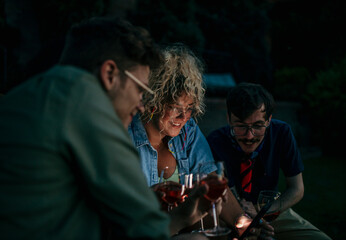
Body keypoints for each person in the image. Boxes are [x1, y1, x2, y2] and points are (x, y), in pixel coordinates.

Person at [0, 16, 213, 240]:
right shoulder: (87, 106)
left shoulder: (29, 94)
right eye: (140, 89)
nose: (141, 104)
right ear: (109, 73)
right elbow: (142, 229)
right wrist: (184, 217)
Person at [128, 44, 274, 239]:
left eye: (189, 108)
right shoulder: (126, 136)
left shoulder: (187, 132)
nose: (183, 116)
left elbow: (212, 182)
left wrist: (243, 223)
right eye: (175, 107)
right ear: (154, 100)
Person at [207, 82, 332, 240]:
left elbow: (297, 189)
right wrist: (244, 218)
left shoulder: (281, 133)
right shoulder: (215, 142)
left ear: (269, 120)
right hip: (230, 213)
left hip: (273, 211)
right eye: (240, 126)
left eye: (258, 126)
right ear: (229, 119)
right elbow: (221, 195)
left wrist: (264, 212)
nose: (249, 136)